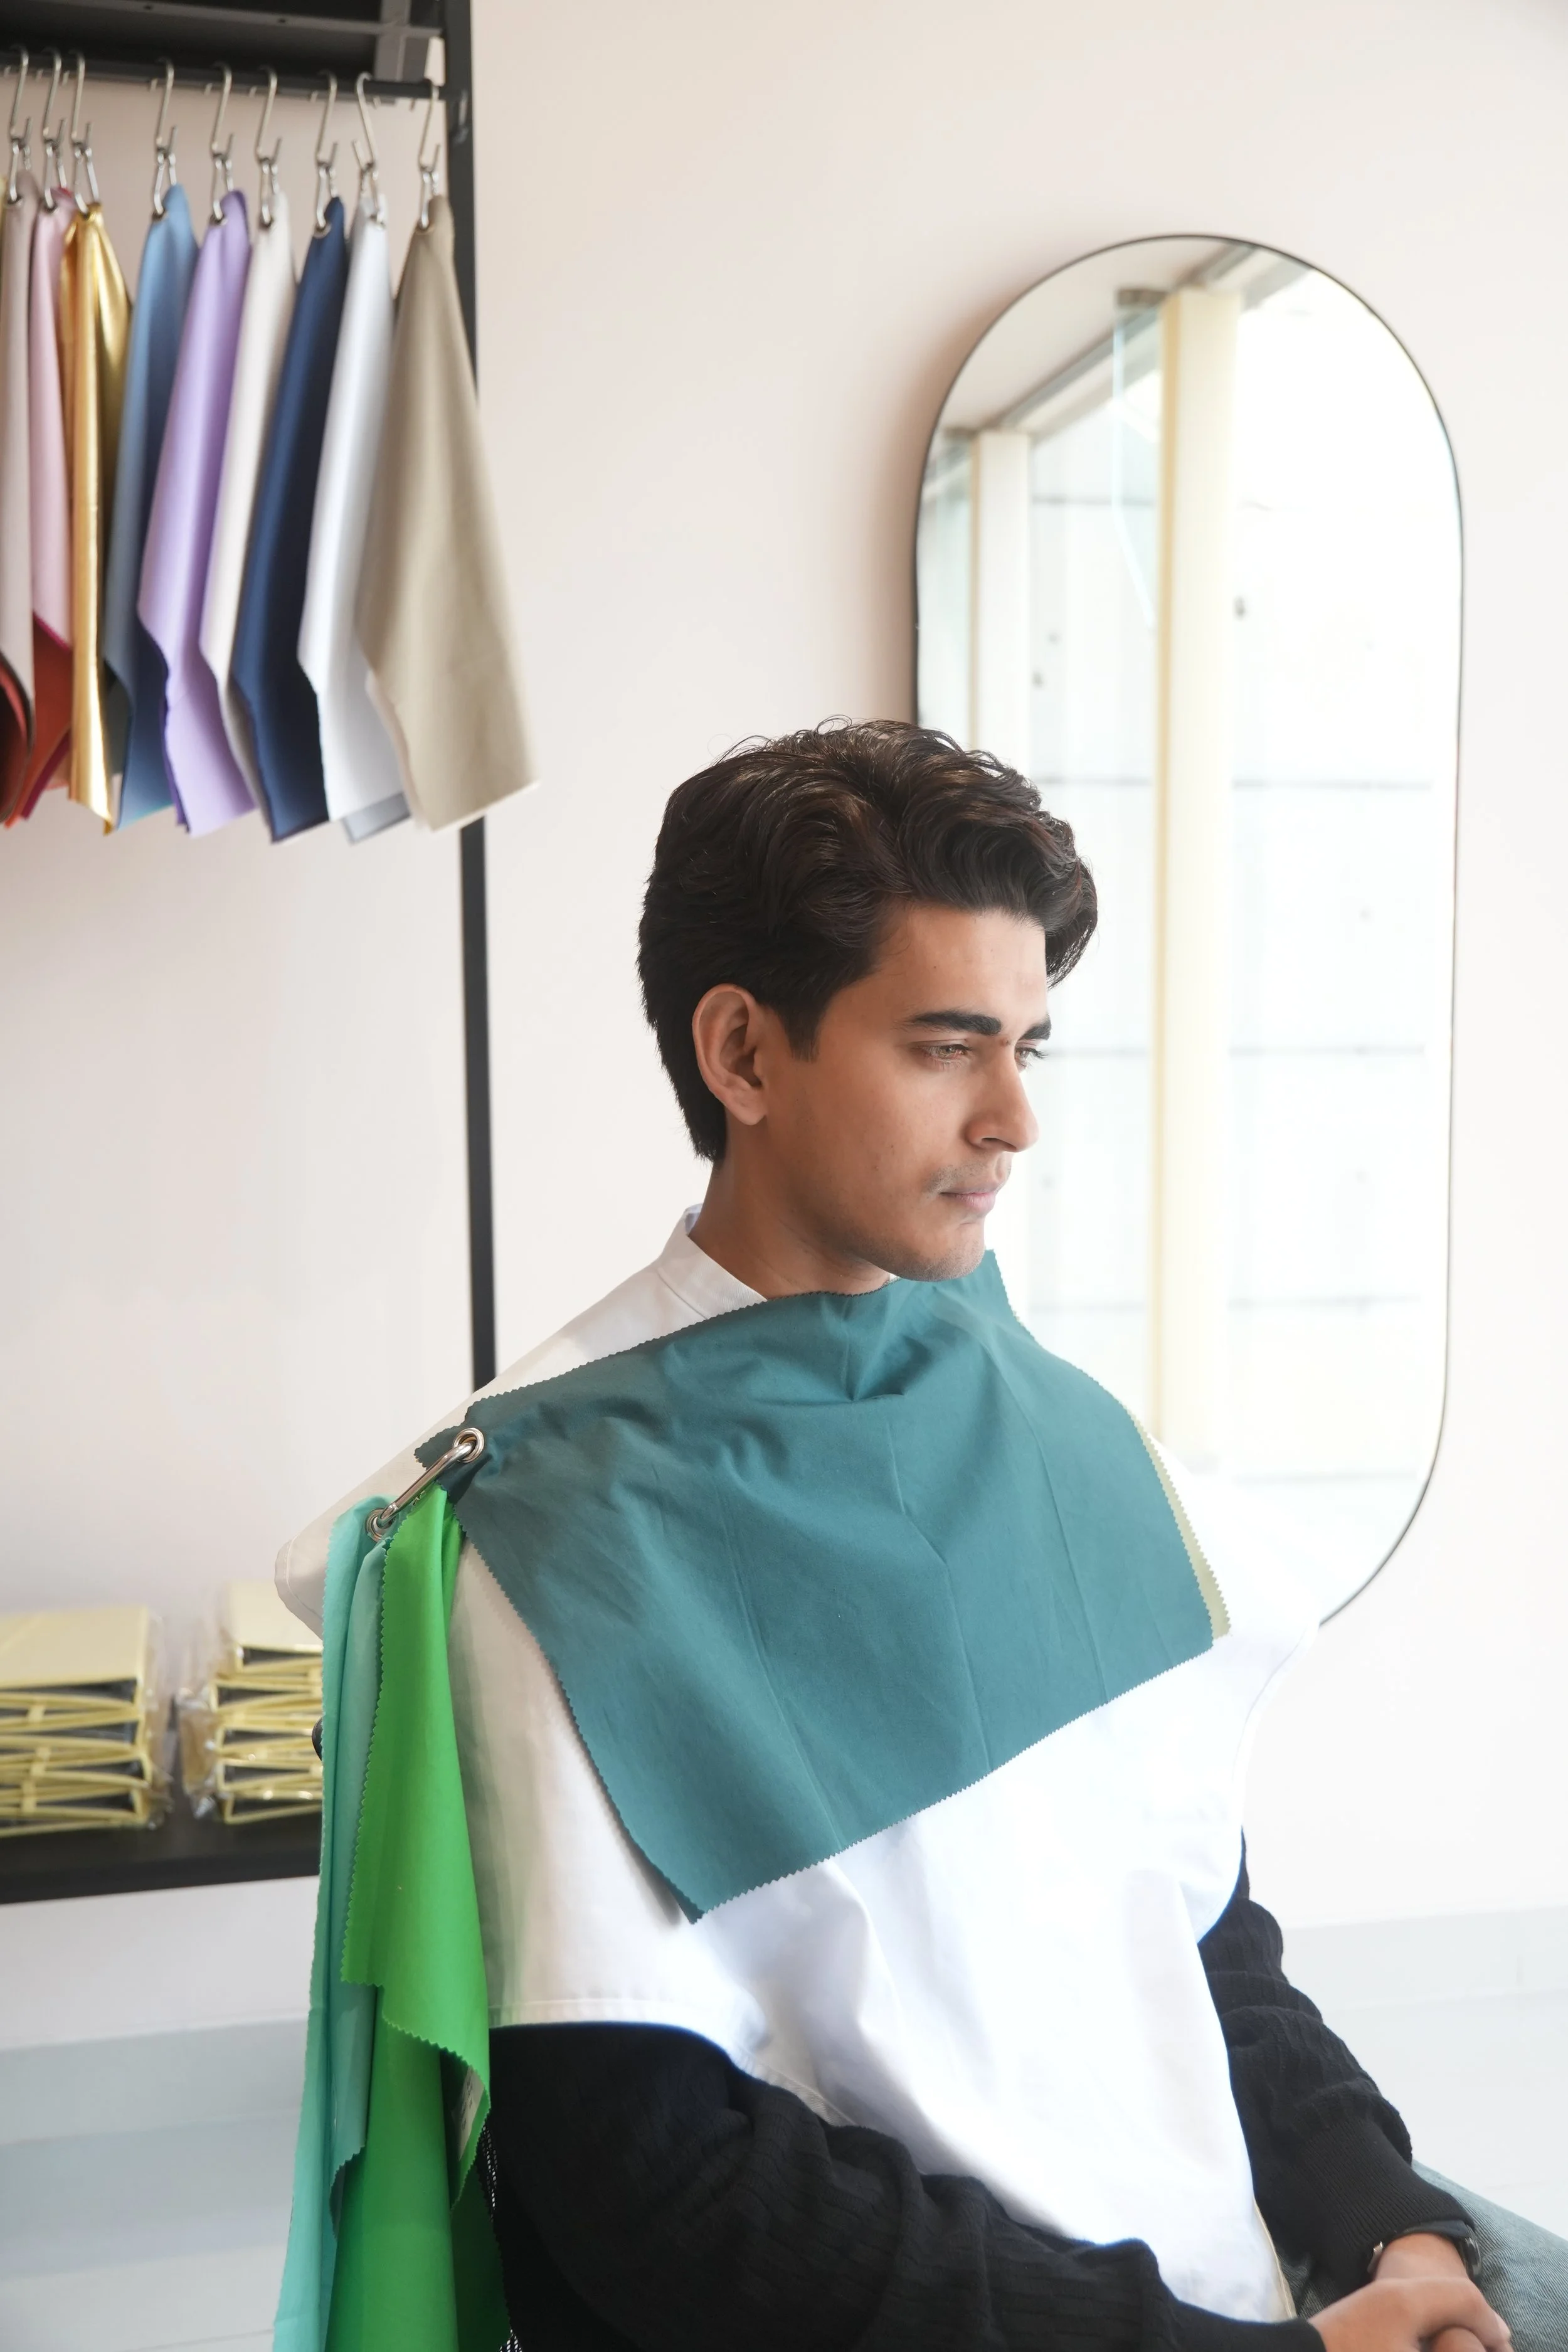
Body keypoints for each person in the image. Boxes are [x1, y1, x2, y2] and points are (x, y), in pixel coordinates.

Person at [277, 722, 1551, 2352]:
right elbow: (658, 2192)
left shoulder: (1057, 1430)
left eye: (1030, 1043)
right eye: (947, 1045)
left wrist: (1399, 2228)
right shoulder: (545, 1542)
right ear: (741, 1053)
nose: (1014, 1115)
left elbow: (1198, 1944)